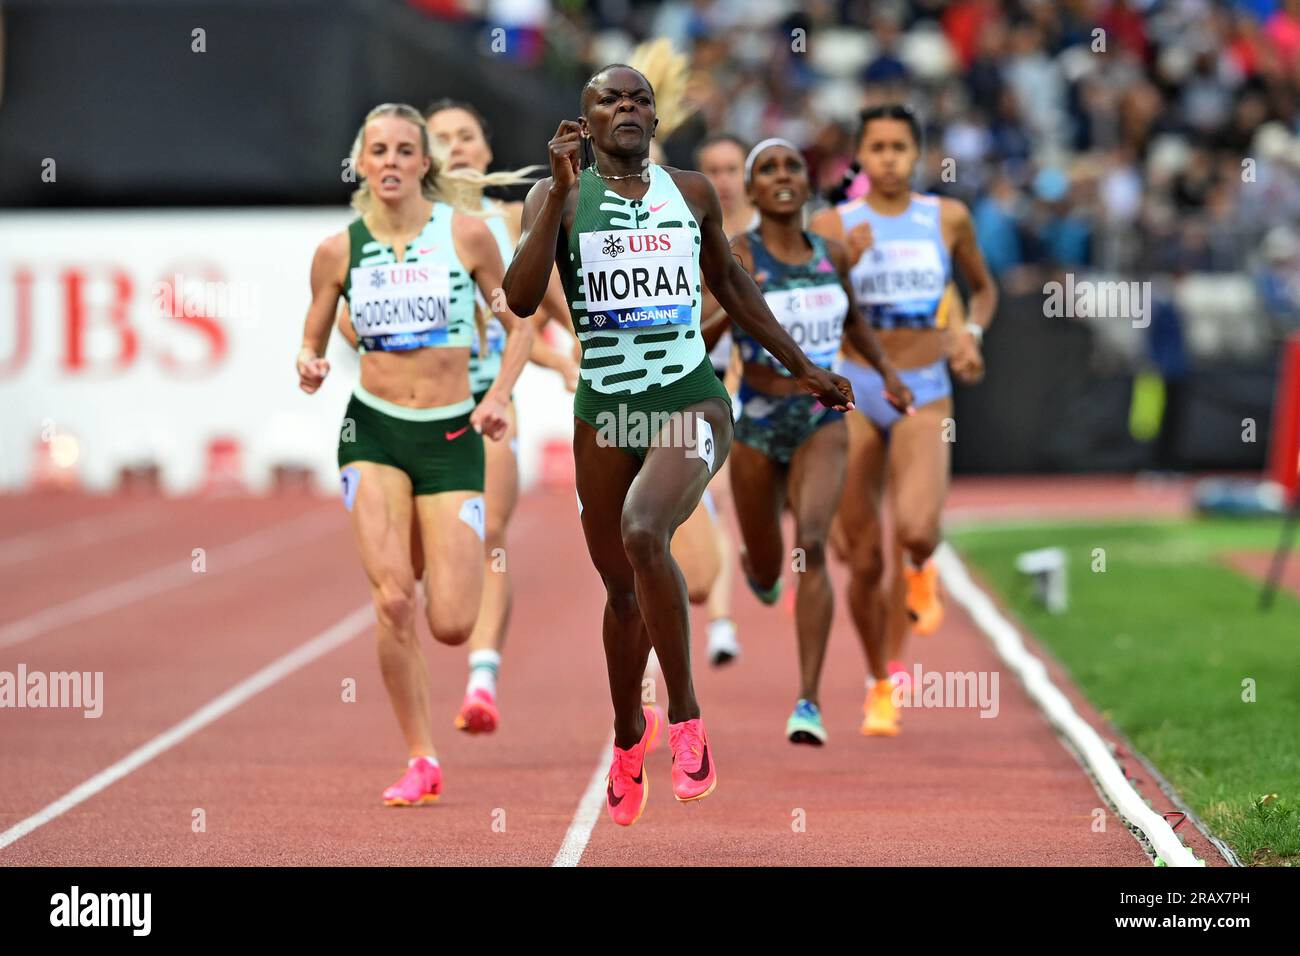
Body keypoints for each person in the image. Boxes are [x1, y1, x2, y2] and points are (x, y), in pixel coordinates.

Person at [504, 64, 853, 826]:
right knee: (622, 592)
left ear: (656, 121)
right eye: (610, 99)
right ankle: (632, 734)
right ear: (586, 120)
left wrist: (805, 368)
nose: (628, 107)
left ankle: (688, 719)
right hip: (606, 409)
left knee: (643, 528)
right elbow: (523, 298)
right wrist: (558, 194)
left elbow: (732, 285)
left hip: (688, 396)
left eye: (640, 99)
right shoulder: (556, 197)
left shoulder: (690, 193)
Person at [296, 103, 533, 805]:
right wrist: (308, 363)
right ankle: (421, 757)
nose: (393, 161)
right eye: (380, 150)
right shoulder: (340, 250)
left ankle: (438, 576)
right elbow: (312, 334)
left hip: (453, 435)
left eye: (406, 149)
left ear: (425, 162)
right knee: (394, 599)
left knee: (452, 623)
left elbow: (516, 327)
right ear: (362, 164)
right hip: (372, 432)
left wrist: (499, 398)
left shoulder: (465, 235)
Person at [710, 138, 911, 744]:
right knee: (770, 565)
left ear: (805, 182)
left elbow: (853, 320)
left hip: (823, 419)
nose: (781, 176)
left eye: (791, 166)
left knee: (816, 545)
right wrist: (729, 298)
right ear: (750, 190)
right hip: (757, 422)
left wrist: (887, 372)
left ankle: (809, 701)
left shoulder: (832, 254)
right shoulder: (736, 256)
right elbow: (706, 325)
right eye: (766, 169)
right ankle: (757, 566)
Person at [810, 103, 996, 737]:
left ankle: (923, 567)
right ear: (860, 156)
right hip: (855, 387)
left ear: (917, 154)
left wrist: (969, 332)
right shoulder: (833, 224)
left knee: (915, 529)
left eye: (899, 147)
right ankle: (880, 682)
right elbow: (804, 304)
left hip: (923, 390)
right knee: (859, 556)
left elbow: (985, 289)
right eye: (877, 147)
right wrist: (842, 267)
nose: (888, 158)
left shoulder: (947, 218)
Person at [424, 98, 579, 734]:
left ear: (487, 151)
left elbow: (536, 311)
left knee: (489, 538)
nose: (457, 146)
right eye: (442, 138)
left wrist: (574, 354)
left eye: (468, 135)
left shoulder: (513, 220)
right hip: (414, 411)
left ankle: (482, 678)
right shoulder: (406, 228)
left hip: (489, 403)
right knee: (425, 563)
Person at [692, 131, 760, 665]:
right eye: (711, 169)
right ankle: (717, 616)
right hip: (691, 379)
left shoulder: (763, 238)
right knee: (701, 502)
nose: (722, 180)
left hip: (749, 383)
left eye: (731, 168)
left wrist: (737, 387)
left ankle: (720, 619)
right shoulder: (681, 229)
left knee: (723, 501)